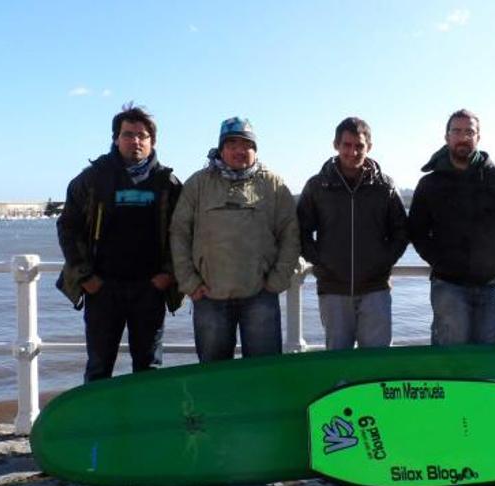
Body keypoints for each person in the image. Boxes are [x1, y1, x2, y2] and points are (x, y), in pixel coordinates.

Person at [56, 103, 183, 382]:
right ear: (116, 138)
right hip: (102, 289)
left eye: (142, 135)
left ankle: (145, 425)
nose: (135, 141)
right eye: (128, 134)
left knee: (149, 369)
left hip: (150, 289)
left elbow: (184, 234)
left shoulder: (168, 184)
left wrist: (168, 275)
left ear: (152, 141)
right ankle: (97, 424)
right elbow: (68, 227)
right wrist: (86, 277)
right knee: (99, 367)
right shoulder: (92, 179)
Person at [170, 117, 300, 362]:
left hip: (260, 296)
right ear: (221, 149)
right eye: (232, 144)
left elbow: (290, 234)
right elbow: (179, 234)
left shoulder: (273, 184)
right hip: (209, 298)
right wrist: (189, 282)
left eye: (247, 145)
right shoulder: (198, 184)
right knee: (214, 377)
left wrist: (277, 279)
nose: (240, 150)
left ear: (255, 149)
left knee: (263, 373)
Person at [407, 109, 495, 345]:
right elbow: (416, 230)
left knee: (492, 359)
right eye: (456, 131)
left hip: (492, 287)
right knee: (449, 359)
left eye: (469, 131)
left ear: (478, 137)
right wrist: (438, 261)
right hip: (448, 286)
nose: (463, 137)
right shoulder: (430, 184)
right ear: (446, 137)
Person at [297, 117, 408, 350]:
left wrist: (385, 261)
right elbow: (301, 230)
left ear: (369, 147)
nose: (353, 151)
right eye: (347, 145)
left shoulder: (384, 187)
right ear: (336, 145)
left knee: (376, 362)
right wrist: (320, 262)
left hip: (375, 289)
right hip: (333, 289)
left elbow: (401, 230)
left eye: (359, 146)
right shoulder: (318, 186)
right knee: (338, 361)